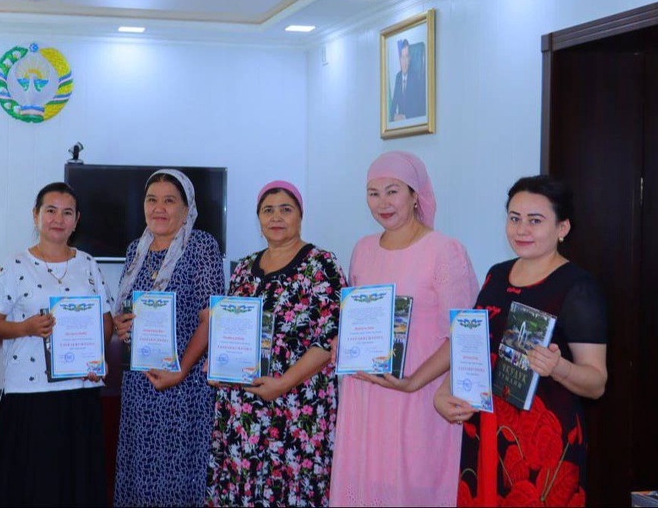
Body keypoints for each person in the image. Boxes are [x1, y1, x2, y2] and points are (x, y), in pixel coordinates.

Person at [435, 175, 607, 507]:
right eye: (514, 218)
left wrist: (558, 367)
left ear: (562, 228)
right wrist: (444, 392)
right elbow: (474, 345)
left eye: (535, 220)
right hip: (485, 430)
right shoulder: (496, 275)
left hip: (542, 446)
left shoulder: (578, 287)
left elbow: (597, 382)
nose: (521, 229)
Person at [329, 151, 479, 506]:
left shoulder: (444, 251)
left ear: (415, 195)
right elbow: (359, 315)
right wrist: (342, 340)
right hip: (366, 395)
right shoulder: (363, 249)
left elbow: (464, 334)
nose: (382, 202)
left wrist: (412, 381)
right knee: (366, 482)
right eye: (373, 193)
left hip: (420, 395)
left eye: (392, 191)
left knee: (410, 487)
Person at [206, 181, 345, 507]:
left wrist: (283, 384)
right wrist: (218, 366)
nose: (276, 217)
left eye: (286, 209)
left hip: (297, 404)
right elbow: (230, 327)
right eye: (268, 210)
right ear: (259, 219)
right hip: (243, 409)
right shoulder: (243, 268)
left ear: (300, 216)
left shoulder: (321, 264)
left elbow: (329, 337)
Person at [0, 182, 114, 506]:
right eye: (51, 210)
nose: (58, 219)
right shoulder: (16, 265)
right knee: (34, 486)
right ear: (36, 215)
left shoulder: (88, 263)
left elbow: (105, 319)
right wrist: (24, 328)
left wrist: (97, 356)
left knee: (77, 485)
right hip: (30, 394)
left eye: (67, 212)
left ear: (77, 219)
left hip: (80, 389)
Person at [112, 169, 226, 506]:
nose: (158, 208)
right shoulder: (135, 250)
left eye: (169, 201)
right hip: (139, 385)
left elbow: (210, 318)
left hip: (184, 385)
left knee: (177, 475)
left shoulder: (202, 246)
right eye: (152, 199)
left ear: (187, 207)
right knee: (140, 472)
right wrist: (121, 325)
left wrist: (180, 370)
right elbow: (126, 311)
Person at [390, 39, 426, 121]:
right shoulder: (398, 77)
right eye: (402, 57)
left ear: (409, 59)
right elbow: (393, 105)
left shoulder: (415, 77)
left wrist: (405, 117)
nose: (404, 62)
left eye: (406, 57)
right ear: (400, 59)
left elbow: (419, 109)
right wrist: (393, 116)